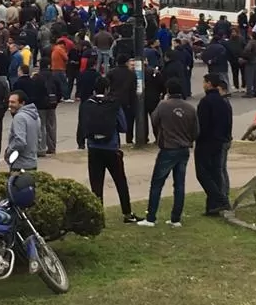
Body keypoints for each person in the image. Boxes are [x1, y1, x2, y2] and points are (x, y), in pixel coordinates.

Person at [76, 76, 138, 223]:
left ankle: (98, 216)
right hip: (111, 147)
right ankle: (127, 213)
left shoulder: (87, 104)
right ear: (107, 89)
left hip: (93, 147)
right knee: (120, 180)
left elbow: (82, 124)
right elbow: (123, 126)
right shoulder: (113, 104)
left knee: (96, 183)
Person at [137, 79, 197, 228]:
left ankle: (151, 217)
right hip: (184, 149)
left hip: (168, 148)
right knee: (179, 184)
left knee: (157, 183)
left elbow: (154, 120)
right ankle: (176, 218)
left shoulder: (163, 105)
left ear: (168, 91)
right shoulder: (190, 108)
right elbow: (196, 131)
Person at [195, 74, 233, 216]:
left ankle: (220, 200)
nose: (203, 85)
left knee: (203, 174)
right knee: (216, 173)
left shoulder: (206, 102)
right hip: (220, 141)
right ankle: (212, 207)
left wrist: (197, 138)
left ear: (209, 84)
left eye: (204, 82)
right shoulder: (224, 102)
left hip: (207, 142)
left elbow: (201, 125)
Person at [5, 90, 40, 171]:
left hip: (19, 164)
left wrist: (8, 153)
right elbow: (39, 139)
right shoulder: (35, 116)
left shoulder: (19, 117)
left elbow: (20, 141)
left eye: (13, 102)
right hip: (32, 163)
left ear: (22, 103)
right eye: (9, 102)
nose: (10, 105)